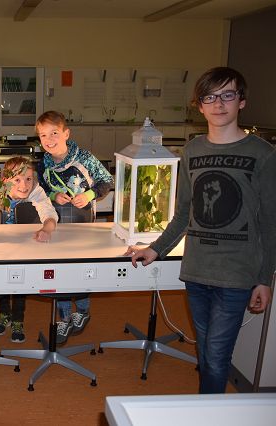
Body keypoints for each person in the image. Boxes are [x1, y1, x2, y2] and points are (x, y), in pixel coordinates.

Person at [127, 67, 275, 394]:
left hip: (236, 274)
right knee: (206, 351)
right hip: (196, 270)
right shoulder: (193, 150)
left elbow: (269, 221)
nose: (219, 104)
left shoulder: (262, 154)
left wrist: (264, 278)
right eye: (210, 97)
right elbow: (184, 212)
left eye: (227, 95)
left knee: (217, 356)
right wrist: (156, 249)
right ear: (200, 105)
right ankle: (208, 405)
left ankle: (209, 411)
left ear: (242, 101)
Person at [35, 110, 113, 345]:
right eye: (43, 135)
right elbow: (40, 189)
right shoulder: (43, 164)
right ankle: (65, 317)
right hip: (56, 222)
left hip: (82, 223)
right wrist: (53, 195)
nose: (49, 139)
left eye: (54, 133)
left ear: (66, 134)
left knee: (80, 268)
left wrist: (88, 194)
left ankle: (83, 309)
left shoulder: (85, 158)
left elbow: (106, 180)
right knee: (58, 270)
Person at [0, 157, 58, 343]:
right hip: (0, 245)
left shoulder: (35, 191)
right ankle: (4, 313)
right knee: (1, 280)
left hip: (24, 245)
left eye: (28, 179)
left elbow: (49, 214)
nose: (24, 185)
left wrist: (46, 229)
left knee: (20, 281)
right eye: (17, 180)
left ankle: (18, 320)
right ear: (5, 180)